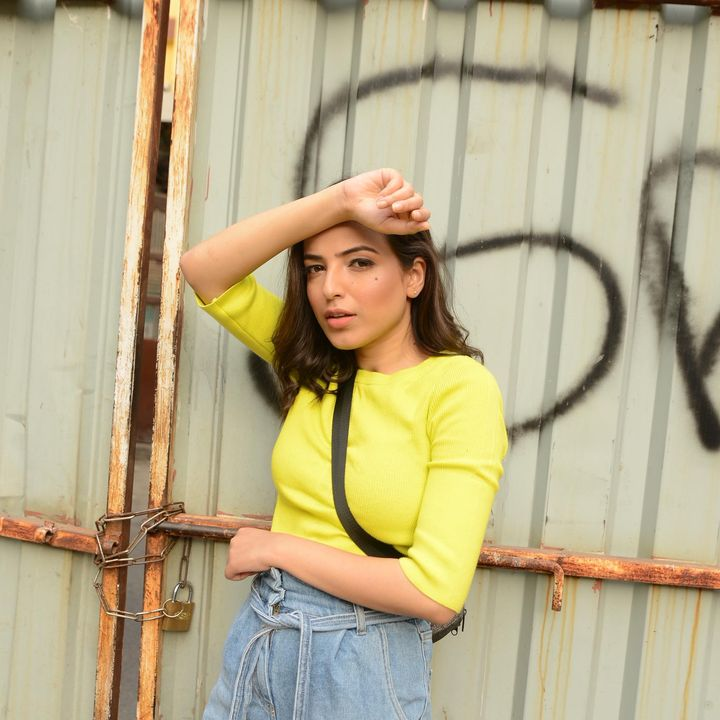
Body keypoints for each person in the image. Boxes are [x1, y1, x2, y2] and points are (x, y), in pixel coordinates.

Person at [180, 168, 508, 720]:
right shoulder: (313, 366)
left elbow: (434, 591)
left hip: (362, 660)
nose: (330, 287)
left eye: (359, 263)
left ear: (414, 276)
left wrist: (277, 549)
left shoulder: (459, 389)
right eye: (316, 268)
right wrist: (340, 201)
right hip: (264, 637)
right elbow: (204, 270)